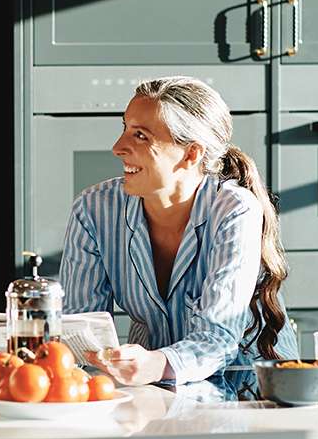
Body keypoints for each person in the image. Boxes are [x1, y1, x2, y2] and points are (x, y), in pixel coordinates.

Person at [60, 76, 297, 392]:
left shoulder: (234, 210)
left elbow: (219, 337)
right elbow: (79, 329)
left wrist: (155, 364)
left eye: (141, 136)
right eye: (124, 129)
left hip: (250, 387)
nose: (117, 148)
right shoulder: (94, 209)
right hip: (154, 389)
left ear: (191, 154)